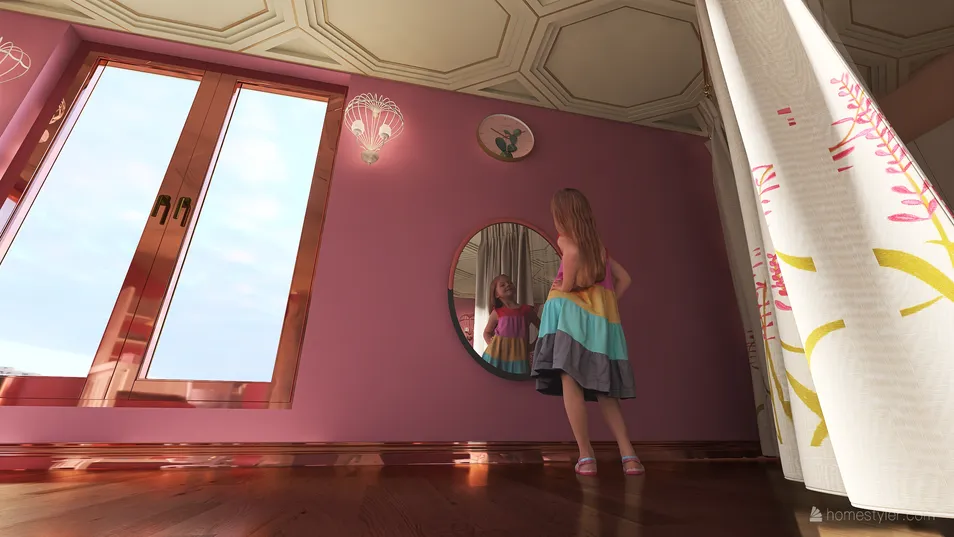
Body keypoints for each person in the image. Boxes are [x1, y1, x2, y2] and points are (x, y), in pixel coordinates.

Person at [531, 188, 640, 476]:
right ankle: (629, 456)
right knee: (604, 388)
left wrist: (566, 286)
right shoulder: (599, 248)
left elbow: (571, 259)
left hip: (570, 319)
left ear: (561, 215)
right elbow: (625, 279)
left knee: (571, 382)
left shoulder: (566, 240)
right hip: (599, 323)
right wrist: (605, 304)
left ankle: (586, 456)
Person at [481, 274, 540, 375]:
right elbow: (487, 332)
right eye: (502, 285)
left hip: (519, 357)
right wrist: (492, 343)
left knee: (517, 382)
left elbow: (542, 328)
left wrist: (534, 345)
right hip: (495, 357)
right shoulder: (496, 312)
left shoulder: (527, 310)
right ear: (496, 294)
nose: (508, 285)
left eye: (510, 283)